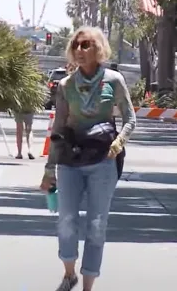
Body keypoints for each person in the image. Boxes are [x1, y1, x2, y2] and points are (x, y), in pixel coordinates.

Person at [40, 26, 136, 291]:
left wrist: (119, 142)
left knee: (96, 224)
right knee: (67, 219)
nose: (80, 51)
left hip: (103, 160)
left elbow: (130, 118)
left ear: (98, 49)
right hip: (71, 160)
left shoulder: (113, 79)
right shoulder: (65, 85)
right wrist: (49, 170)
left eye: (86, 45)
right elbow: (58, 128)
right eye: (77, 46)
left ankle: (87, 285)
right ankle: (69, 274)